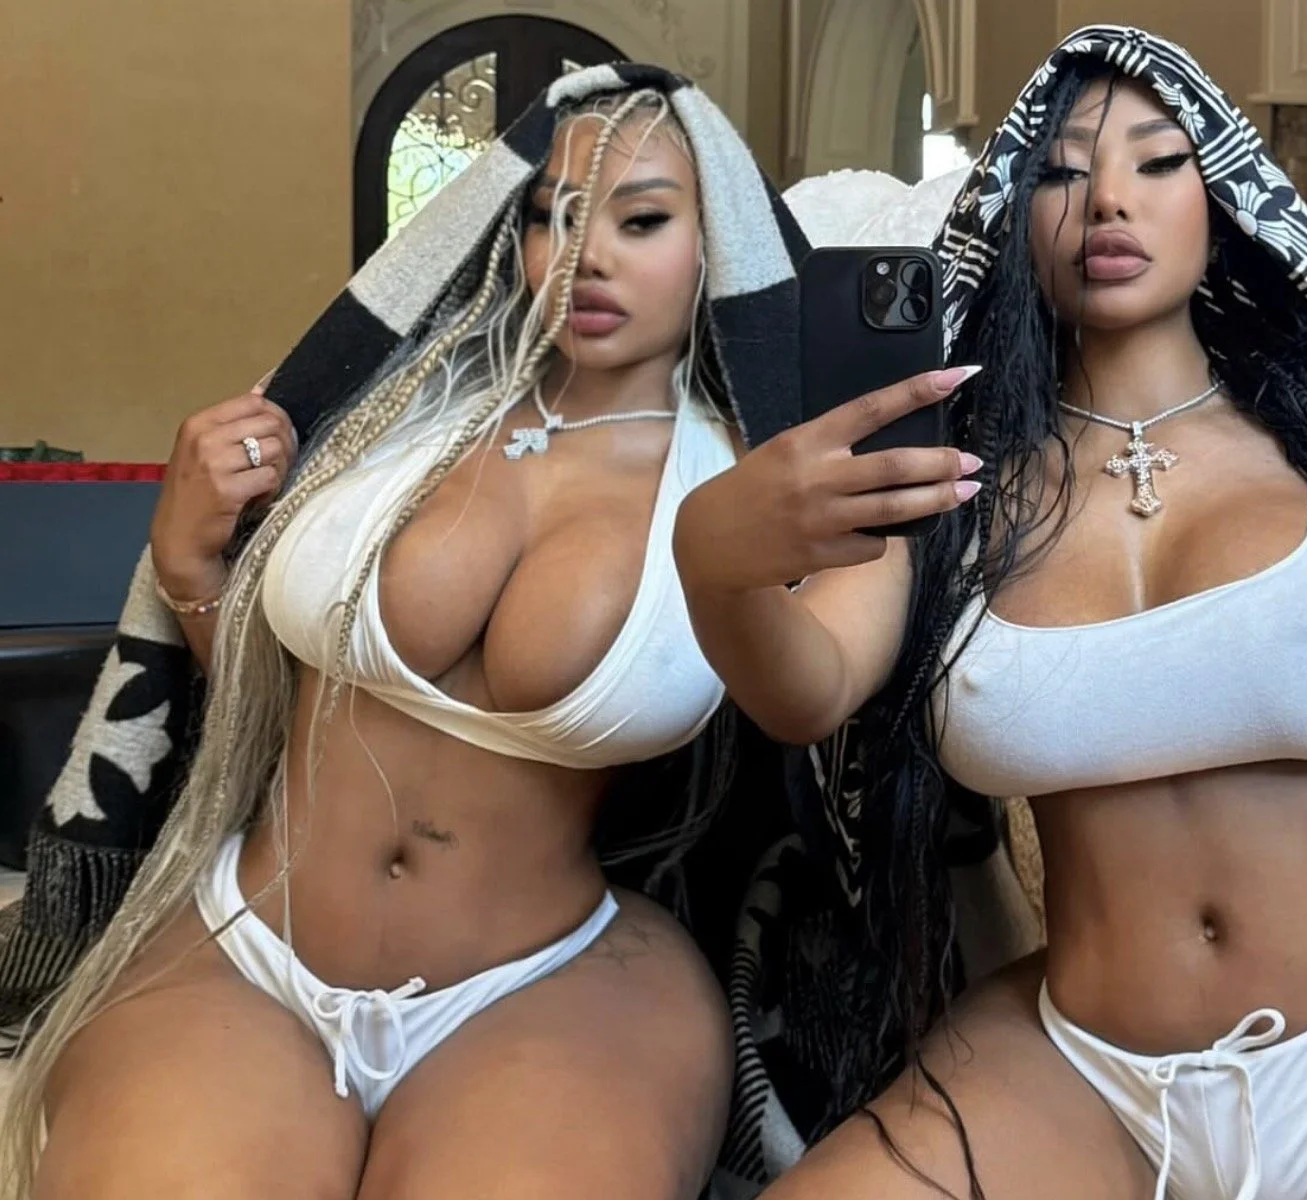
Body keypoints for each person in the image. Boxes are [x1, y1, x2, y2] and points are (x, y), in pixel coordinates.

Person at [674, 26, 1307, 1199]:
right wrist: (712, 562)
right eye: (1061, 171)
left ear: (1222, 201)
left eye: (1158, 162)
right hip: (1077, 1071)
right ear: (1013, 217)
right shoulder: (951, 489)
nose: (1109, 199)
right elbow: (804, 692)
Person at [2, 65, 809, 1200]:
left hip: (547, 984)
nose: (587, 256)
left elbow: (818, 723)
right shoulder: (394, 416)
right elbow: (268, 713)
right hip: (251, 947)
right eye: (552, 217)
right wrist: (189, 566)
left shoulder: (746, 482)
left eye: (641, 221)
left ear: (717, 239)